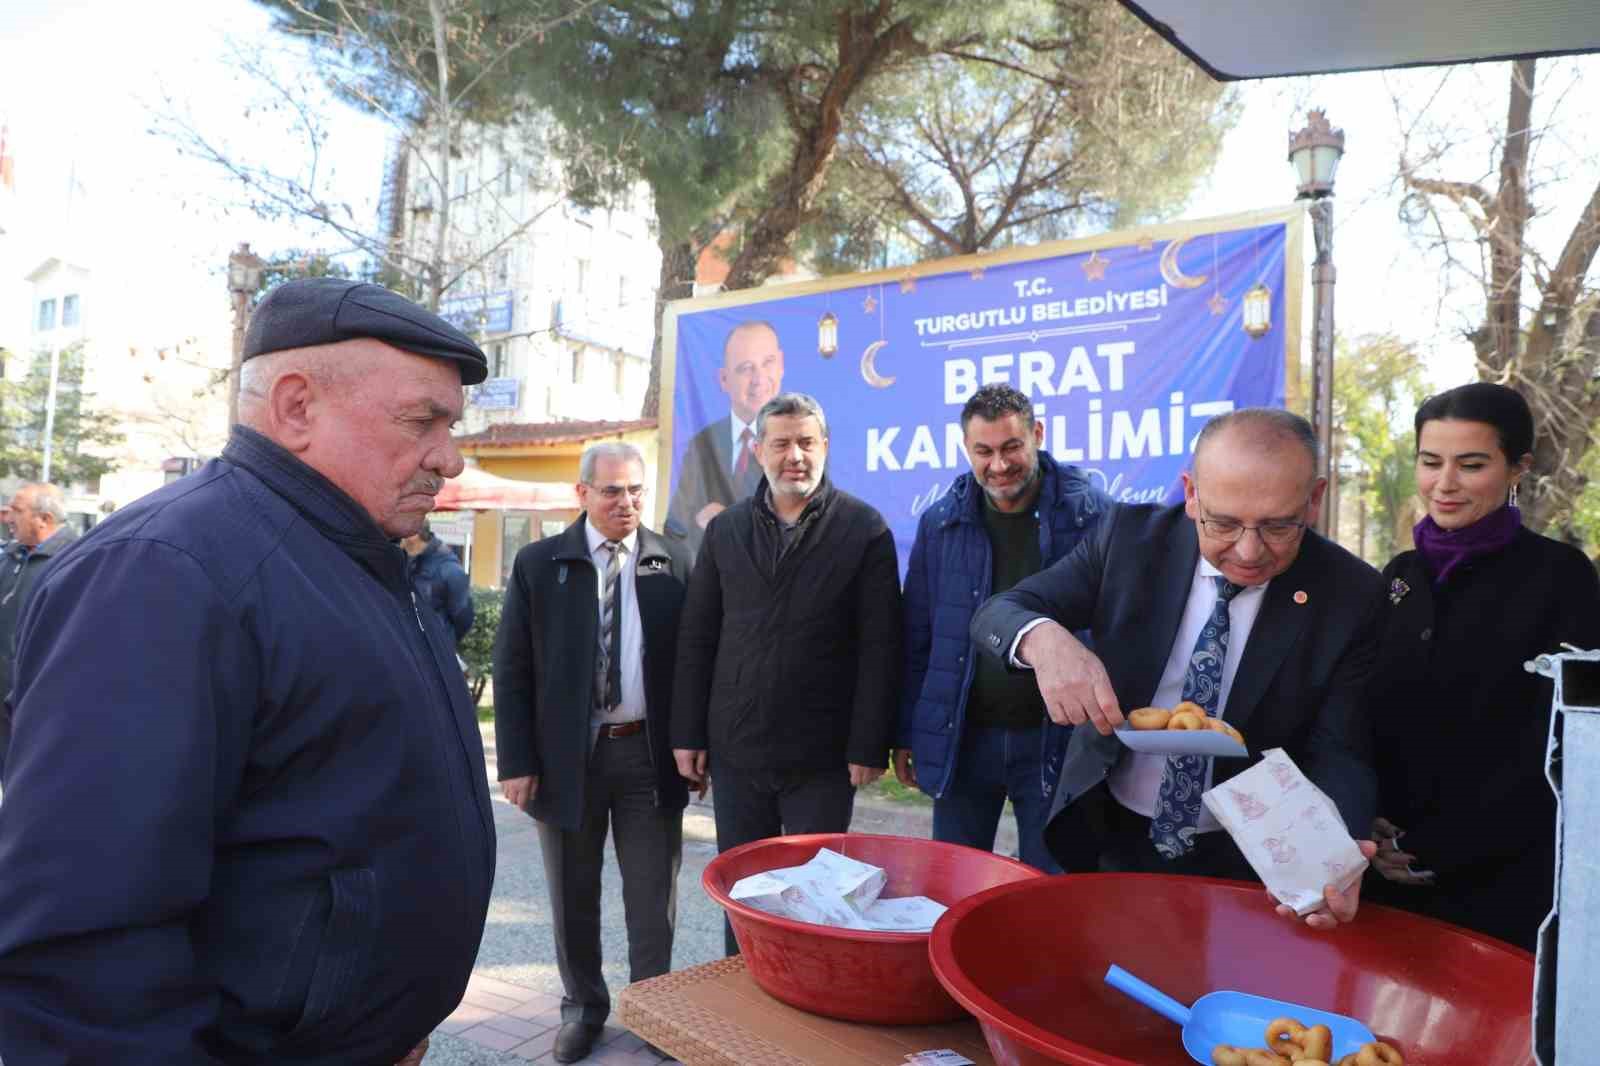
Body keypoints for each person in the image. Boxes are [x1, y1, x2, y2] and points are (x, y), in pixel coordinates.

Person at [0, 277, 495, 1065]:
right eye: (422, 421)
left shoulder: (356, 556)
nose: (450, 455)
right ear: (297, 408)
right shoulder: (164, 571)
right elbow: (84, 949)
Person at [971, 408, 1384, 929]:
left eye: (1280, 525)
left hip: (1250, 854)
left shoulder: (1350, 594)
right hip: (1109, 830)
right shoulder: (1128, 540)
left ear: (1315, 499)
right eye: (1224, 522)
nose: (1249, 550)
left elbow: (1342, 749)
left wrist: (1336, 857)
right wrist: (1042, 639)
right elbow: (998, 613)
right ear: (1191, 493)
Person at [1362, 382, 1600, 950]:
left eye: (1470, 465)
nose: (1443, 485)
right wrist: (1367, 822)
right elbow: (1367, 712)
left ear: (1518, 466)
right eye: (1429, 462)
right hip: (1383, 869)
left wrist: (1443, 847)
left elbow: (1565, 740)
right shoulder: (1397, 577)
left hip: (1503, 880)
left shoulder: (1561, 578)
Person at [672, 392, 902, 954]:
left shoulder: (864, 529)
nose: (793, 455)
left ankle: (806, 1018)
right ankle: (743, 1010)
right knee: (744, 897)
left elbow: (882, 647)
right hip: (737, 750)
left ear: (824, 446)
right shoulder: (726, 531)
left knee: (817, 902)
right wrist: (687, 735)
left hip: (821, 759)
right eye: (781, 443)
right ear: (758, 450)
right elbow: (698, 638)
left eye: (805, 442)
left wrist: (870, 743)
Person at [492, 442, 690, 1064]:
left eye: (635, 490)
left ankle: (653, 1013)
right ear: (581, 494)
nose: (626, 503)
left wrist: (695, 748)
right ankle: (583, 1010)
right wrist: (518, 761)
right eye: (611, 491)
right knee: (572, 897)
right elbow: (512, 667)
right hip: (566, 762)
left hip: (648, 760)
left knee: (651, 903)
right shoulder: (539, 563)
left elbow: (694, 662)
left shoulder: (674, 560)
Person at [896, 384, 1109, 872]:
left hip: (1056, 741)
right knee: (953, 888)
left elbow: (1117, 629)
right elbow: (919, 636)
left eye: (1012, 447)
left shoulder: (1093, 516)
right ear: (967, 449)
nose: (999, 464)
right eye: (984, 451)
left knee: (1051, 894)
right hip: (964, 737)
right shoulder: (941, 522)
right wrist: (907, 731)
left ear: (1037, 434)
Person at [663, 320, 784, 560]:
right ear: (724, 379)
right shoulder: (702, 444)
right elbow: (675, 530)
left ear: (781, 365)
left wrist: (729, 525)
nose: (758, 379)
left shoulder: (801, 445)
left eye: (767, 363)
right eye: (745, 368)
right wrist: (704, 528)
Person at [0, 482, 78, 735]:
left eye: (17, 510)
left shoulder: (75, 560)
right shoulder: (12, 555)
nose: (8, 516)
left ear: (44, 519)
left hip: (32, 702)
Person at [402, 520, 475, 645]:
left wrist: (443, 643)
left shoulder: (449, 569)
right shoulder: (403, 561)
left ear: (413, 535)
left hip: (435, 650)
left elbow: (463, 618)